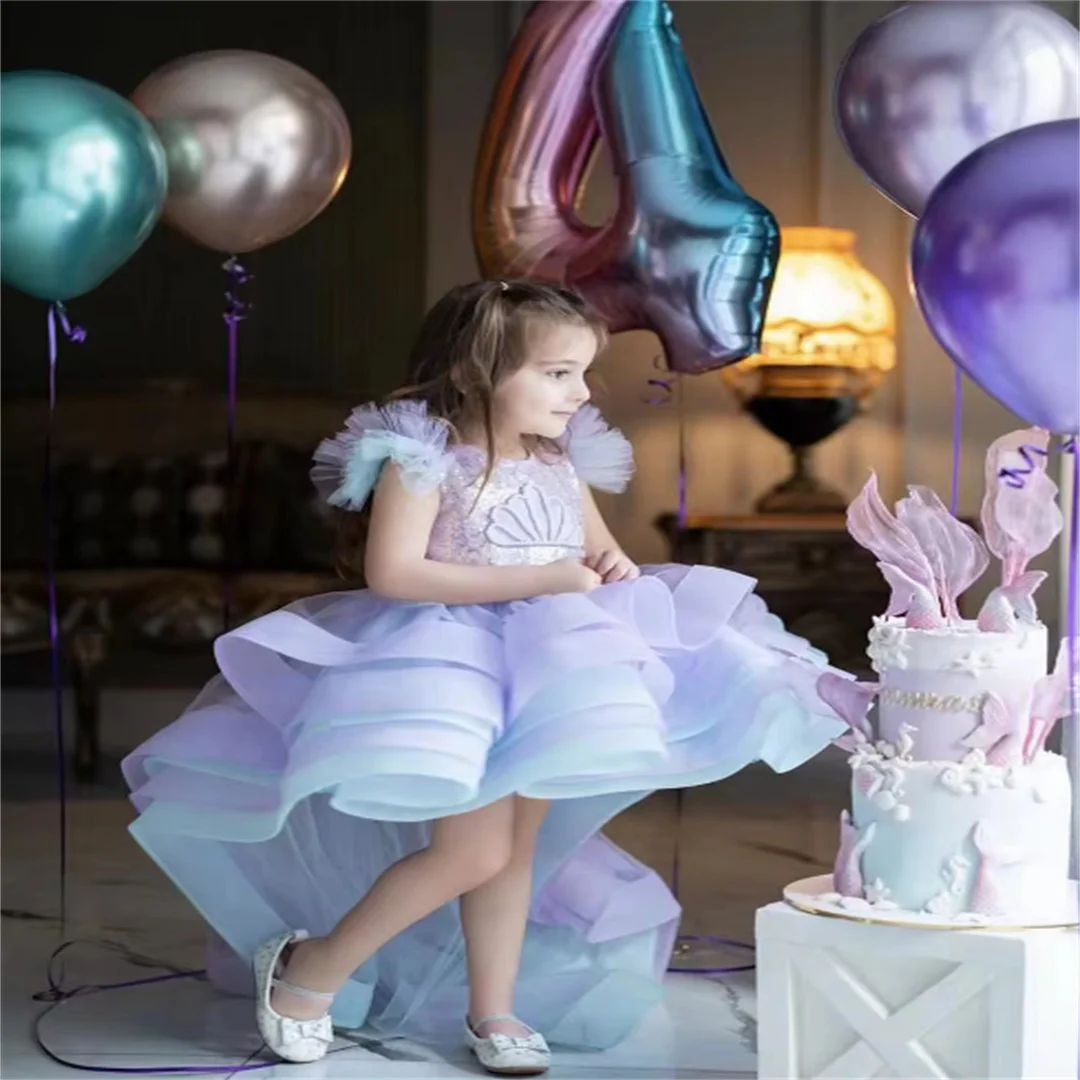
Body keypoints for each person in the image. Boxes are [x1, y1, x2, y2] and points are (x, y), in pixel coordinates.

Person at [123, 280, 848, 1075]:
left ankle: (492, 1008)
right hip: (452, 669)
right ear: (478, 372)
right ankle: (311, 969)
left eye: (582, 372)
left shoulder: (560, 463)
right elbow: (396, 573)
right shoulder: (424, 458)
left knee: (515, 852)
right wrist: (543, 581)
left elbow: (598, 554)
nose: (581, 392)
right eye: (557, 373)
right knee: (469, 850)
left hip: (549, 670)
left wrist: (607, 566)